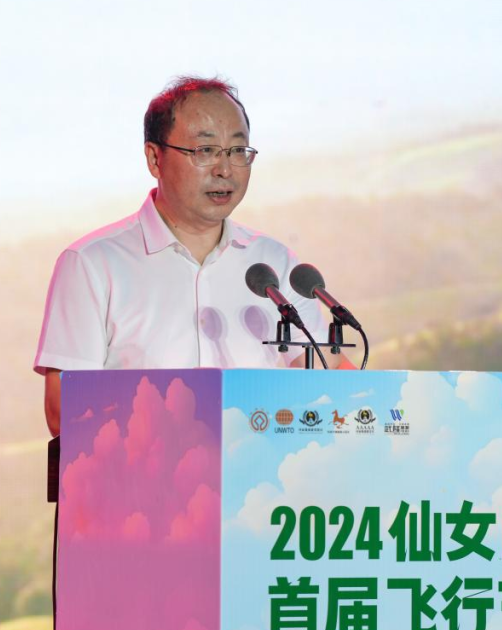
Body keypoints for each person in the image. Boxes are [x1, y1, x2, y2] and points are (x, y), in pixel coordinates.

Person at [35, 76, 352, 436]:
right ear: (155, 159)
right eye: (205, 150)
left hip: (259, 467)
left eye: (237, 150)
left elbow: (329, 379)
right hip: (145, 467)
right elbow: (64, 412)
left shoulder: (275, 264)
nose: (225, 169)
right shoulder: (92, 264)